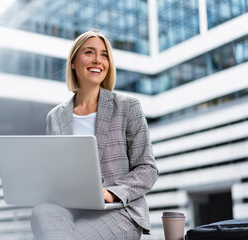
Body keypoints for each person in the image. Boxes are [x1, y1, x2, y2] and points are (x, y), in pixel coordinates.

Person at [30, 30, 158, 240]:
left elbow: (148, 168)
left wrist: (112, 193)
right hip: (72, 208)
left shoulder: (128, 107)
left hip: (119, 210)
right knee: (42, 211)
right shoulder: (55, 117)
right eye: (89, 52)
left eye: (104, 55)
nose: (98, 60)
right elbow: (55, 172)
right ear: (73, 62)